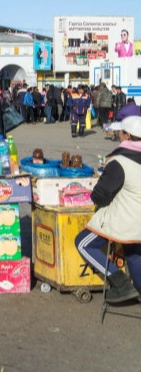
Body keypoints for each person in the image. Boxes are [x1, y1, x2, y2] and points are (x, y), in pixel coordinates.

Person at [75, 116, 141, 303]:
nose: (118, 135)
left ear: (127, 135)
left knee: (83, 243)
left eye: (120, 132)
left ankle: (121, 283)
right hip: (137, 224)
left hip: (127, 219)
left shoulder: (120, 161)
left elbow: (100, 195)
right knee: (134, 251)